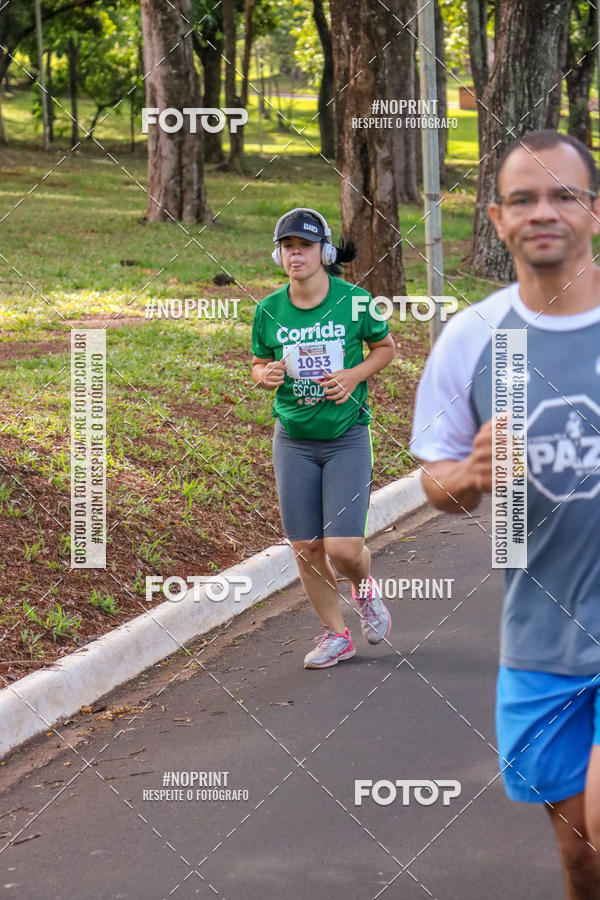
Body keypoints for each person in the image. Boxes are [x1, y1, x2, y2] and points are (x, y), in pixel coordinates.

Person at [410, 130, 600, 897]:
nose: (542, 211)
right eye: (523, 198)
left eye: (563, 195)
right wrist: (473, 473)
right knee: (581, 858)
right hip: (541, 637)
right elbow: (436, 481)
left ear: (594, 210)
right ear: (496, 218)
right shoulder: (474, 337)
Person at [251, 207, 395, 668]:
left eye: (305, 247)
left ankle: (365, 590)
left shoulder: (356, 302)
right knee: (306, 546)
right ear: (279, 255)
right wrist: (264, 374)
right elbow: (257, 361)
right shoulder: (268, 310)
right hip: (292, 439)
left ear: (324, 252)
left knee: (344, 549)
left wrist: (353, 376)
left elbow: (386, 348)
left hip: (346, 435)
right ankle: (337, 635)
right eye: (288, 247)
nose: (296, 255)